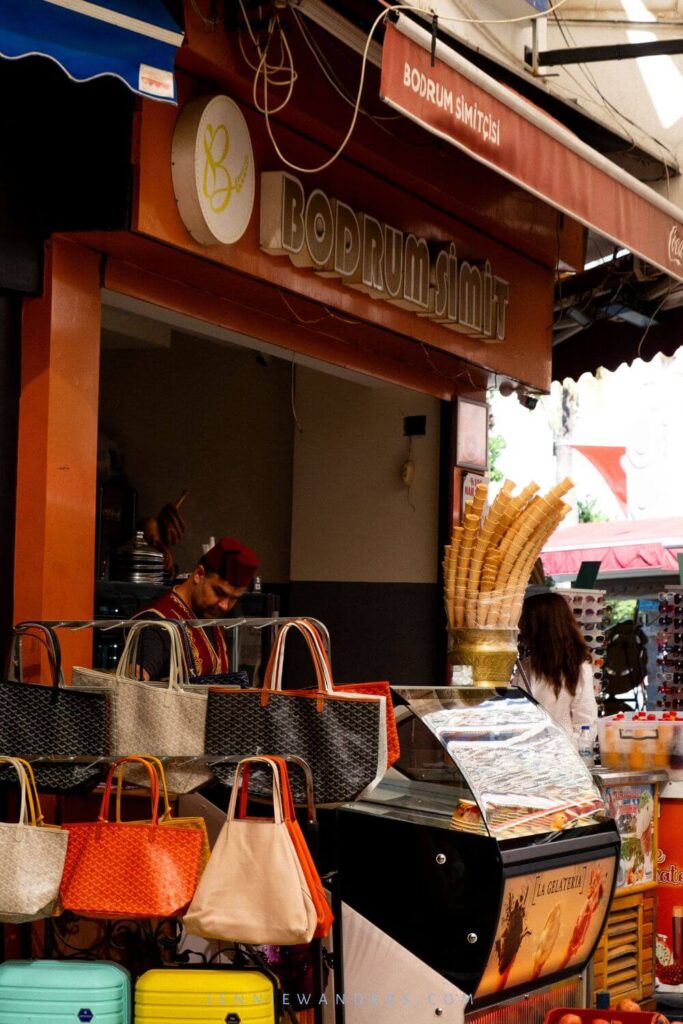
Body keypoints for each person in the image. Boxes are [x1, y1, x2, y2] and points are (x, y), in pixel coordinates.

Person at [134, 536, 260, 680]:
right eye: (219, 592)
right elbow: (135, 686)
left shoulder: (209, 617)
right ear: (199, 574)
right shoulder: (157, 622)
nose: (224, 605)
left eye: (234, 598)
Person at [517, 590, 598, 746]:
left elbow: (586, 722)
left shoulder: (578, 668)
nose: (522, 629)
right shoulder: (525, 666)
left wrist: (569, 752)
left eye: (526, 623)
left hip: (565, 756)